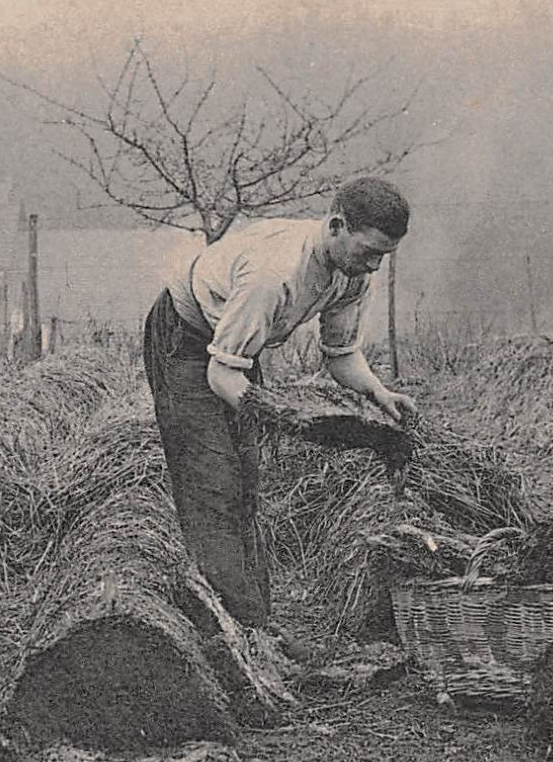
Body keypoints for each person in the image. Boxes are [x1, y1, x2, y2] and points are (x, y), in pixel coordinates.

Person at [142, 177, 415, 658]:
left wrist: (379, 394)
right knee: (214, 487)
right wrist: (278, 415)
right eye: (369, 251)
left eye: (384, 256)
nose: (374, 265)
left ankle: (254, 628)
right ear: (336, 226)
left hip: (231, 349)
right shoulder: (276, 272)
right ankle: (234, 639)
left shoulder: (352, 274)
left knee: (247, 485)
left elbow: (341, 354)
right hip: (185, 340)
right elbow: (222, 374)